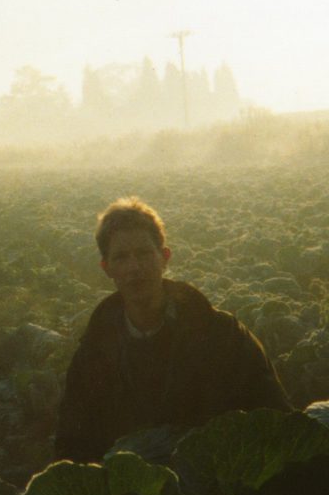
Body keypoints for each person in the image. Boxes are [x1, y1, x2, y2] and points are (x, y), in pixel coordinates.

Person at [55, 197, 290, 463]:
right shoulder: (94, 352)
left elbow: (275, 419)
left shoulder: (223, 336)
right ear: (107, 268)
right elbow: (72, 444)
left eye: (144, 253)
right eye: (121, 257)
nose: (134, 267)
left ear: (164, 257)